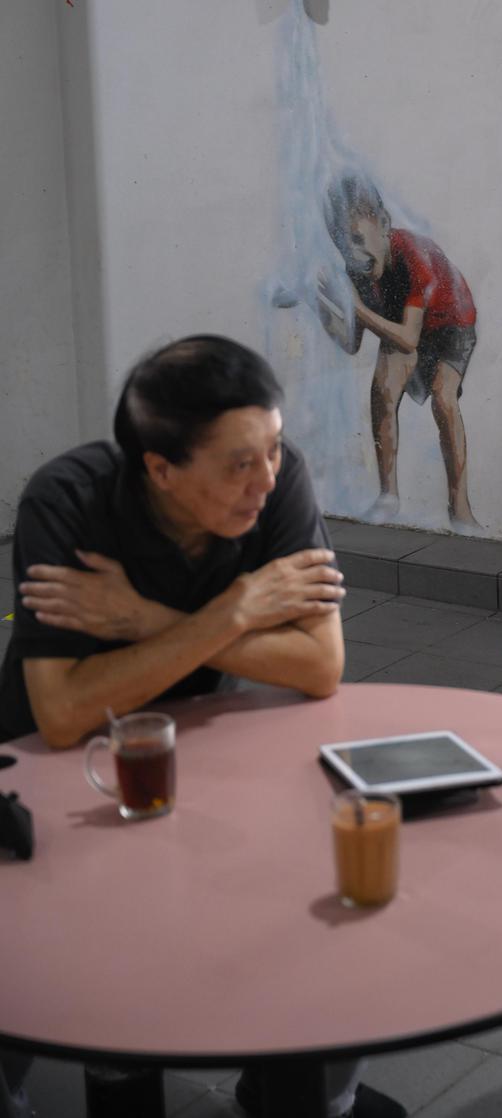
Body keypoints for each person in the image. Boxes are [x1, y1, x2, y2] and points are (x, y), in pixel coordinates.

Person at [0, 334, 401, 1118]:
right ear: (161, 470)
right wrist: (238, 612)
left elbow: (321, 665)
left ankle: (282, 1081)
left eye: (274, 449)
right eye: (238, 464)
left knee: (287, 910)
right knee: (77, 969)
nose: (267, 480)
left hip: (187, 744)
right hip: (46, 776)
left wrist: (153, 618)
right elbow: (63, 713)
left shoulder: (280, 490)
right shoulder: (66, 503)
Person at [321, 176, 478, 526]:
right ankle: (388, 496)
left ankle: (460, 509)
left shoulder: (415, 256)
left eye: (360, 239)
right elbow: (351, 343)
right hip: (405, 323)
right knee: (383, 390)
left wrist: (357, 308)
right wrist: (320, 304)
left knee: (443, 398)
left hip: (451, 322)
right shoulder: (360, 269)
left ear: (385, 226)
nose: (354, 254)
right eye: (344, 245)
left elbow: (408, 339)